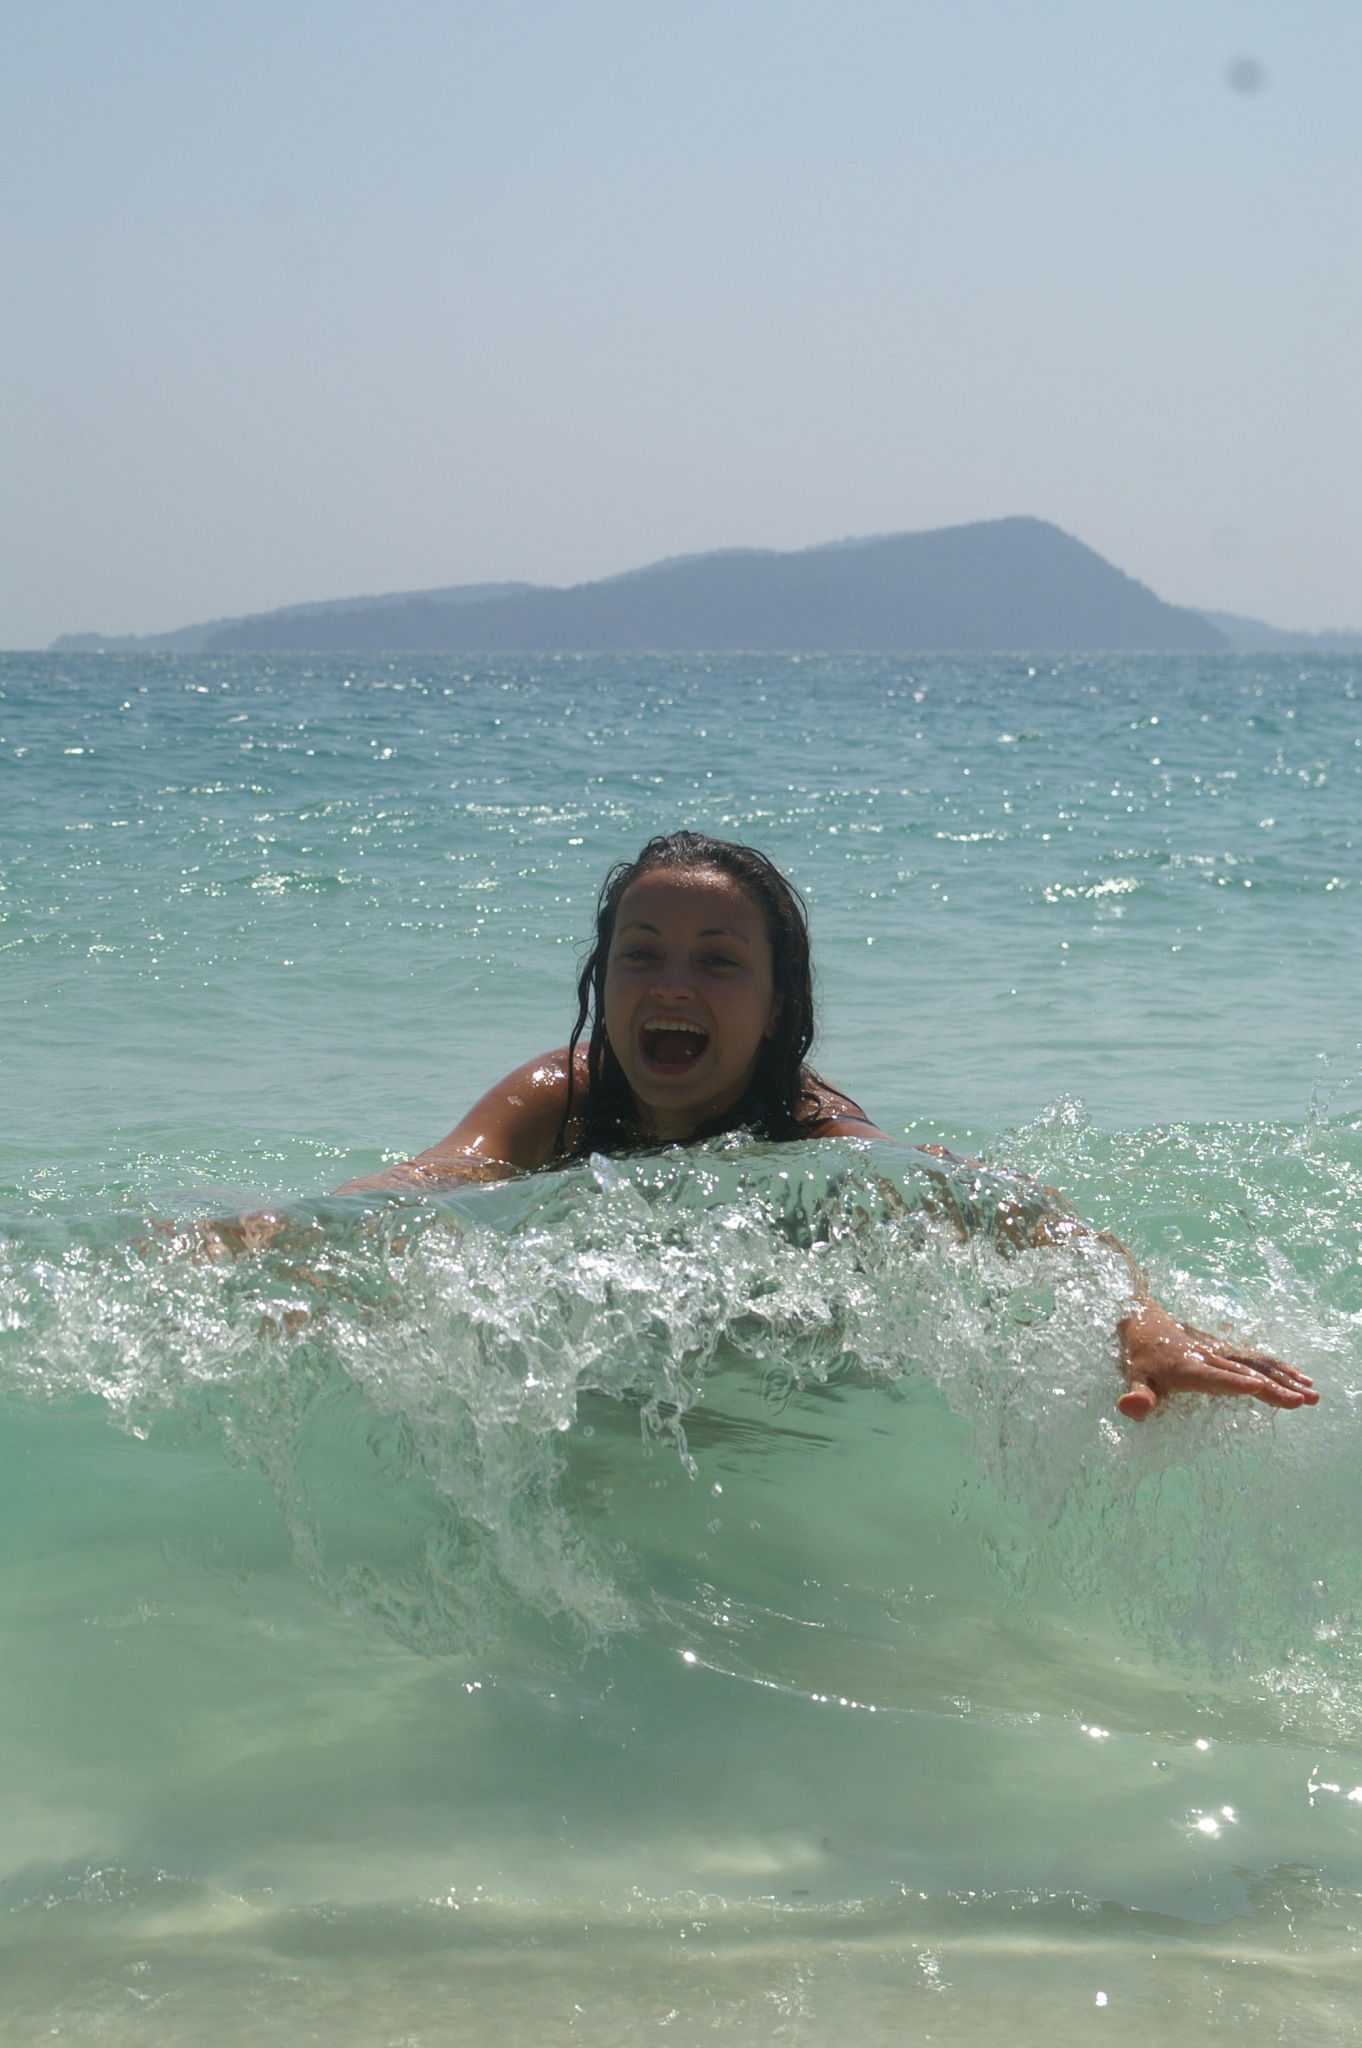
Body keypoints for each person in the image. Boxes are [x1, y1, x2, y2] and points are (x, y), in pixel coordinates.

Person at [333, 830, 1318, 1424]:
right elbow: (430, 1180)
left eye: (718, 960)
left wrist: (1139, 1321)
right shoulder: (563, 1096)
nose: (671, 983)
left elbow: (1016, 1212)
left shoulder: (817, 1136)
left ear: (775, 1008)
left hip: (795, 1396)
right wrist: (289, 1235)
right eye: (641, 953)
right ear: (605, 979)